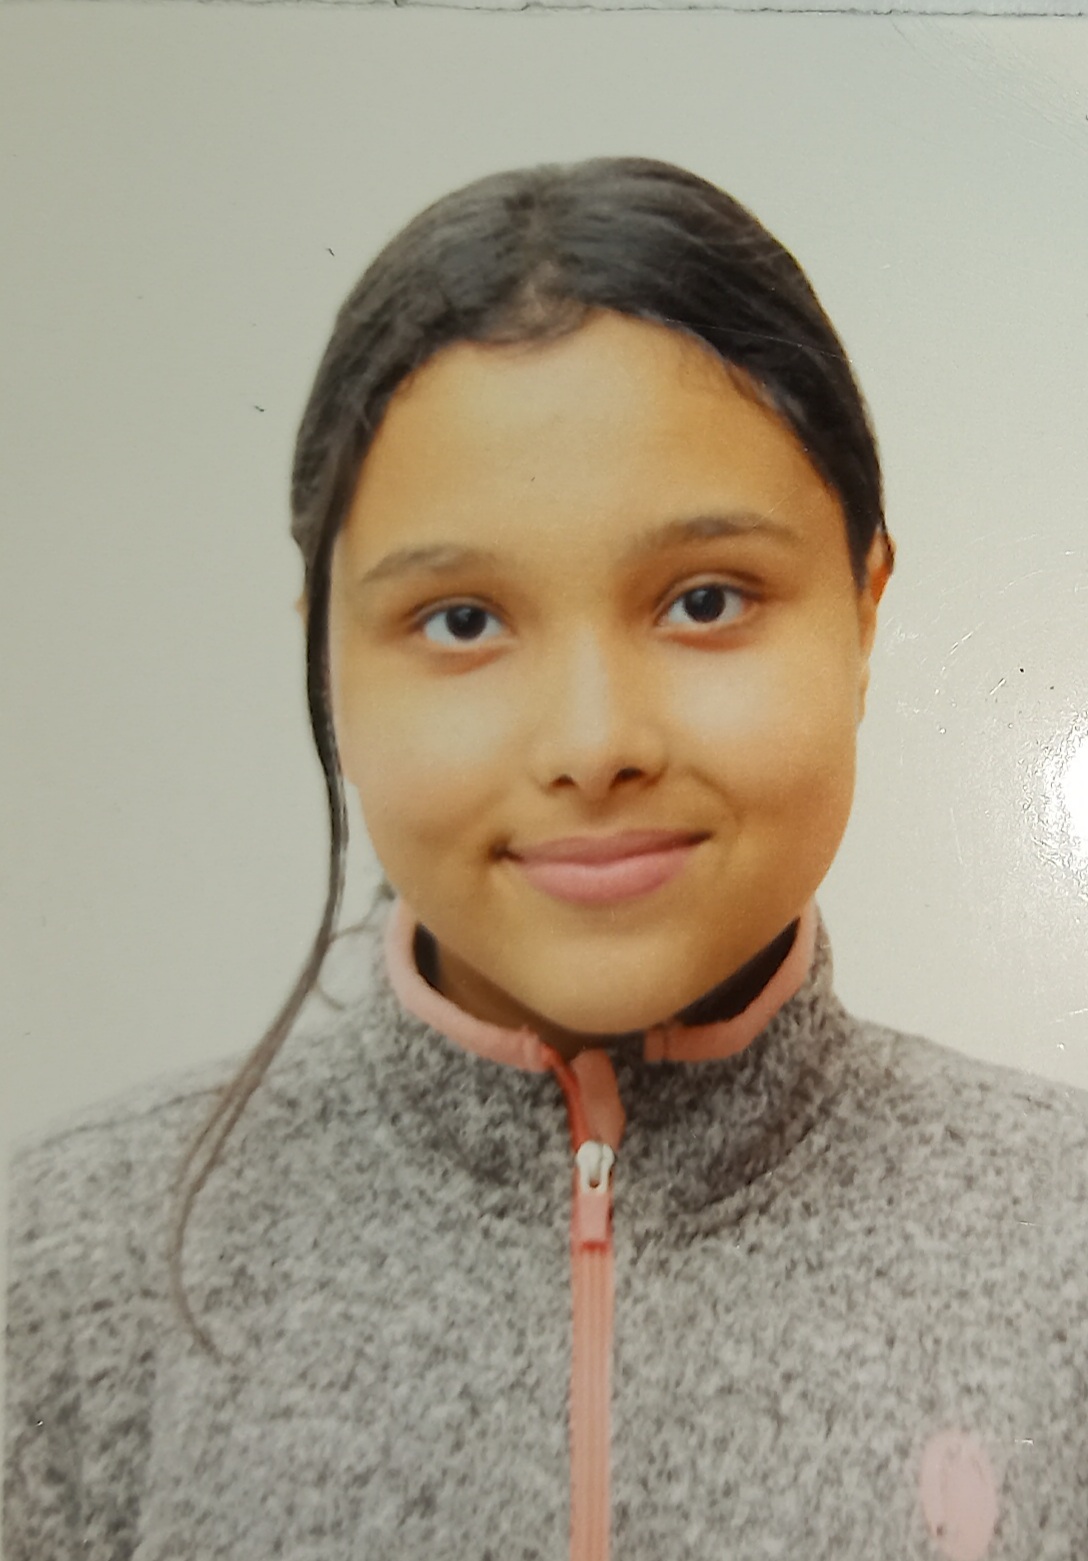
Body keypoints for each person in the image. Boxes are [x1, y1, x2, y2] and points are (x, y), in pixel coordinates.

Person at [5, 156, 1088, 1561]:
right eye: (461, 620)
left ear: (865, 609)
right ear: (327, 651)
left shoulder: (1062, 1245)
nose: (593, 743)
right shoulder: (71, 1268)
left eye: (707, 599)